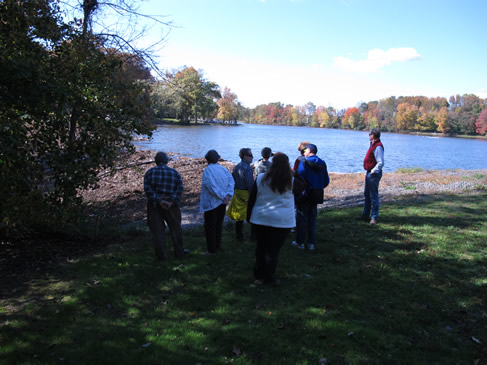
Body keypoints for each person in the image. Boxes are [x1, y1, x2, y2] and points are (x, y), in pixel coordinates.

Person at [247, 153, 297, 285]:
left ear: (272, 164)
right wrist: (295, 172)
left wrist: (249, 217)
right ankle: (269, 277)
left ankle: (259, 275)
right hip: (282, 220)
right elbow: (306, 185)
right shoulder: (291, 180)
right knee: (273, 250)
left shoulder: (261, 178)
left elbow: (252, 199)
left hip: (261, 217)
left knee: (261, 248)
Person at [144, 151, 188, 260]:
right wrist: (172, 201)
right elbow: (180, 188)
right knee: (176, 228)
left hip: (155, 205)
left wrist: (159, 200)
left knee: (157, 231)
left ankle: (162, 256)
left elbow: (147, 189)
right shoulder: (174, 172)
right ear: (167, 161)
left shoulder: (149, 173)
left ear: (156, 161)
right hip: (171, 205)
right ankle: (179, 252)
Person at [292, 144, 329, 251]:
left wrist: (299, 190)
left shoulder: (304, 162)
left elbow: (299, 177)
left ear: (309, 150)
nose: (303, 153)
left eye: (305, 150)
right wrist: (318, 187)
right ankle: (311, 243)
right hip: (317, 194)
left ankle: (300, 242)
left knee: (301, 218)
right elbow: (326, 180)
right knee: (312, 218)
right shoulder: (323, 163)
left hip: (305, 194)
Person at [200, 150, 234, 254]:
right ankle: (217, 245)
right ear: (217, 158)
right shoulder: (223, 169)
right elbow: (231, 182)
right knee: (218, 225)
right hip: (222, 202)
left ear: (207, 160)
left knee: (211, 226)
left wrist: (224, 196)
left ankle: (211, 250)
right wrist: (228, 195)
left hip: (212, 203)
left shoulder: (207, 170)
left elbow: (211, 187)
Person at [357, 128, 385, 225]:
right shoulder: (373, 145)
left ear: (373, 135)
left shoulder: (378, 147)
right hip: (369, 173)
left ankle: (374, 217)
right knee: (367, 194)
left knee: (373, 196)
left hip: (373, 174)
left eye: (370, 134)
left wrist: (373, 171)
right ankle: (365, 215)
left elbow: (380, 162)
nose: (369, 136)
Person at [226, 148, 254, 240]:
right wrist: (252, 196)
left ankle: (239, 236)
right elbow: (250, 184)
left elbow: (232, 181)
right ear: (245, 156)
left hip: (237, 193)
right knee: (251, 215)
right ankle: (253, 237)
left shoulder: (236, 167)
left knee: (239, 217)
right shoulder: (248, 168)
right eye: (250, 155)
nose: (252, 157)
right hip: (246, 193)